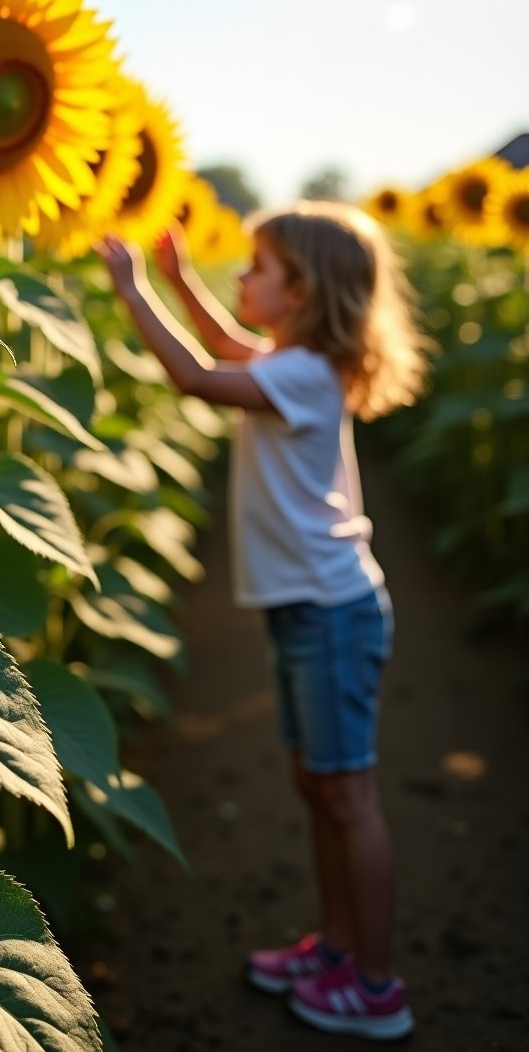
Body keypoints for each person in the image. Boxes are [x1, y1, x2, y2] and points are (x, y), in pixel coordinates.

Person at [99, 202, 429, 1042]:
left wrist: (137, 294)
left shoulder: (306, 375)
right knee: (319, 787)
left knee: (348, 796)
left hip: (332, 614)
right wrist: (181, 282)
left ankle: (379, 987)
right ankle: (341, 950)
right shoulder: (296, 362)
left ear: (303, 290)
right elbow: (225, 352)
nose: (241, 278)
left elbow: (197, 378)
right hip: (311, 611)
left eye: (257, 268)